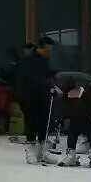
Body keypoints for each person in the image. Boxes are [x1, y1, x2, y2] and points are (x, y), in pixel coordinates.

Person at [15, 36, 56, 164]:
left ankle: (43, 151)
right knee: (32, 122)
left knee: (45, 121)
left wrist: (54, 76)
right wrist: (47, 82)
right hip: (28, 96)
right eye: (48, 50)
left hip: (42, 95)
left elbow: (46, 74)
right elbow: (32, 79)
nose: (49, 53)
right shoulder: (28, 60)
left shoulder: (44, 60)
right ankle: (30, 151)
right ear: (40, 48)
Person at [53, 71, 91, 167]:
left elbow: (64, 97)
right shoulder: (64, 82)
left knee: (82, 123)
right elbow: (64, 99)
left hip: (86, 95)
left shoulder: (61, 82)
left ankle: (84, 155)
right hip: (81, 98)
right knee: (77, 123)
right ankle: (90, 155)